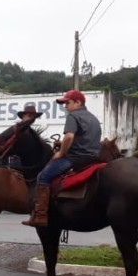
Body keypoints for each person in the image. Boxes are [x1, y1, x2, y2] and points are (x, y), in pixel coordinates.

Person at [22, 89, 101, 227]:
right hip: (93, 158)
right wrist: (62, 143)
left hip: (74, 158)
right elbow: (83, 139)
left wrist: (61, 152)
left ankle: (40, 215)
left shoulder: (73, 116)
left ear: (78, 102)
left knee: (43, 176)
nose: (66, 107)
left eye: (67, 103)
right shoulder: (93, 118)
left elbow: (69, 136)